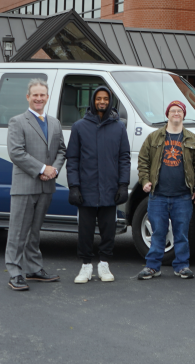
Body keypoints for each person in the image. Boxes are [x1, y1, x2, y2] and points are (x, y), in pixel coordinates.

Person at [4, 79, 67, 291]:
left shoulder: (55, 123)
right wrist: (42, 169)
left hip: (46, 187)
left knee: (34, 231)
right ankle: (14, 271)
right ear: (28, 97)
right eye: (35, 95)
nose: (39, 98)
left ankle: (33, 269)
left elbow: (61, 151)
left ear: (47, 97)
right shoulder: (17, 121)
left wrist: (54, 170)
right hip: (25, 186)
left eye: (42, 95)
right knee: (18, 231)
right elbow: (16, 152)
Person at [66, 85, 131, 284]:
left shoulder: (119, 127)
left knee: (108, 230)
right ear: (93, 101)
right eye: (98, 98)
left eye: (105, 99)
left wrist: (123, 185)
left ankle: (104, 264)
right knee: (85, 231)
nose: (101, 102)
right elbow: (73, 159)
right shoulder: (79, 127)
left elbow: (124, 157)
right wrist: (74, 186)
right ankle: (86, 266)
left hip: (110, 190)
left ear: (110, 101)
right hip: (86, 189)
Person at [136, 100, 195, 280]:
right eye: (173, 111)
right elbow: (143, 161)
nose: (176, 114)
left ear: (184, 115)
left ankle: (182, 266)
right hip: (158, 195)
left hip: (182, 196)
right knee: (158, 233)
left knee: (182, 233)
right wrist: (145, 181)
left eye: (179, 111)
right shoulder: (154, 137)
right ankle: (152, 267)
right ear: (167, 114)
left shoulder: (192, 138)